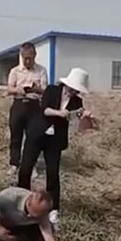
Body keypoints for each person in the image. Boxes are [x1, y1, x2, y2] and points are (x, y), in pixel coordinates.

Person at [18, 68, 93, 229]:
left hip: (55, 140)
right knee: (25, 168)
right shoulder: (52, 90)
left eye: (76, 90)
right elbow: (44, 109)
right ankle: (21, 200)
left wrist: (84, 117)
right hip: (37, 134)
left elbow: (79, 125)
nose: (73, 92)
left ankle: (53, 209)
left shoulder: (77, 102)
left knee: (53, 173)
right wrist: (59, 113)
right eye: (72, 88)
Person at [6, 42, 47, 174]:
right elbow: (9, 88)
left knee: (33, 137)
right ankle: (14, 163)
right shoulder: (15, 71)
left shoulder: (41, 71)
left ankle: (30, 164)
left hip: (34, 106)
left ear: (35, 55)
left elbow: (46, 90)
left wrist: (37, 89)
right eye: (25, 58)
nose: (28, 61)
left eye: (30, 58)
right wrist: (19, 90)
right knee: (16, 135)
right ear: (21, 56)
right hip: (19, 104)